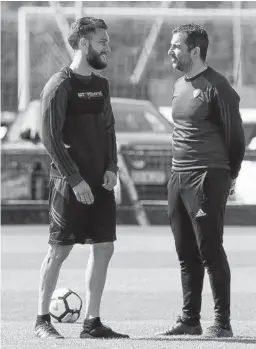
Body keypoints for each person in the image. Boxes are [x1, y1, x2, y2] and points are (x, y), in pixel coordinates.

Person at [34, 17, 129, 340]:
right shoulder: (60, 85)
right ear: (85, 44)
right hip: (68, 183)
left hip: (100, 182)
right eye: (102, 41)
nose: (108, 47)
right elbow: (50, 139)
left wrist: (111, 167)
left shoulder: (101, 85)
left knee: (104, 247)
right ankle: (42, 320)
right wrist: (75, 179)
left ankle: (92, 322)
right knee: (59, 250)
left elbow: (109, 129)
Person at [159, 23, 246, 338]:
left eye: (176, 46)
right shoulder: (179, 85)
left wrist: (229, 175)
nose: (171, 51)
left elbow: (236, 138)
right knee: (186, 251)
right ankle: (190, 320)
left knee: (210, 248)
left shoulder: (218, 86)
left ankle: (222, 323)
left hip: (207, 177)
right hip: (178, 177)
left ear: (194, 50)